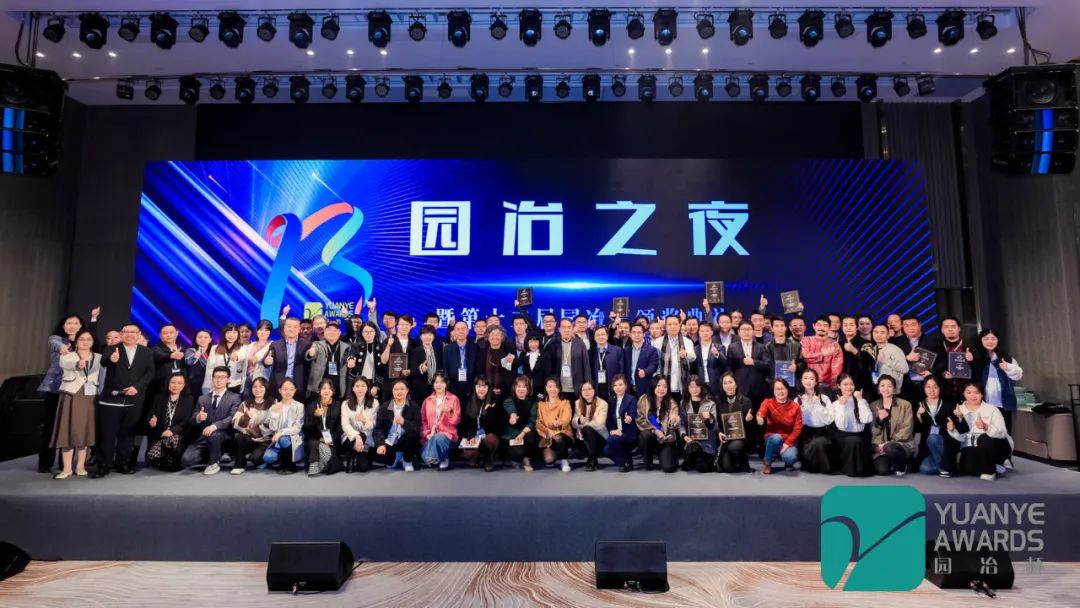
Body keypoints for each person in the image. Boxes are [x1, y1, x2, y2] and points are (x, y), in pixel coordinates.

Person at [38, 308, 99, 473]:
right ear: (63, 326)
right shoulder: (56, 339)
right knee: (50, 426)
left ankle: (64, 465)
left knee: (70, 426)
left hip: (76, 391)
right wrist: (63, 347)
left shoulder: (84, 342)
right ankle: (45, 463)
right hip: (55, 388)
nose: (72, 326)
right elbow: (55, 344)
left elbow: (94, 341)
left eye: (76, 323)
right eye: (69, 323)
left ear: (81, 326)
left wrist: (93, 319)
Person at [93, 323, 154, 478]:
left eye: (133, 332)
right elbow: (104, 361)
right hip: (112, 398)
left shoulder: (146, 352)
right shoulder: (112, 348)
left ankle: (122, 463)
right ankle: (103, 465)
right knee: (107, 434)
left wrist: (137, 387)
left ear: (139, 334)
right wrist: (111, 359)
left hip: (134, 398)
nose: (130, 335)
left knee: (128, 433)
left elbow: (149, 372)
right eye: (126, 332)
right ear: (121, 334)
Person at [50, 328, 101, 478]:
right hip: (71, 394)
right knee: (67, 432)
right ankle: (66, 469)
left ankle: (80, 466)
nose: (85, 342)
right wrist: (78, 364)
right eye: (82, 339)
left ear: (93, 342)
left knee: (84, 433)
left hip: (89, 396)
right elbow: (66, 365)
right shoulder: (67, 355)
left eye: (88, 339)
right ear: (76, 342)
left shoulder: (98, 357)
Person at [182, 366, 242, 475]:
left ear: (228, 379)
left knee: (214, 435)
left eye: (223, 377)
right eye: (216, 377)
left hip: (225, 435)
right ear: (212, 378)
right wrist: (198, 418)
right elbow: (192, 420)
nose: (219, 380)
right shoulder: (202, 398)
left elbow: (231, 418)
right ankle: (215, 454)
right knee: (187, 460)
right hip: (205, 437)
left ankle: (213, 463)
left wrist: (214, 426)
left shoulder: (235, 397)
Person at [948, 383, 1014, 481]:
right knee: (967, 468)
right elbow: (960, 437)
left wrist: (986, 427)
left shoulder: (992, 409)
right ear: (964, 394)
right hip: (972, 446)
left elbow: (1002, 433)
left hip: (995, 443)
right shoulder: (958, 410)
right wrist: (952, 430)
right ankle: (995, 464)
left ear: (982, 394)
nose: (973, 396)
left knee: (983, 438)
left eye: (976, 393)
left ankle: (990, 470)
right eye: (969, 393)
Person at [970, 328, 1023, 433]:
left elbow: (1018, 375)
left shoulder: (1006, 357)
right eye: (986, 339)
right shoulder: (976, 358)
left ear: (998, 340)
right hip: (982, 404)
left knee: (1003, 433)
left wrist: (1008, 367)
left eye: (993, 339)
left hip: (1003, 404)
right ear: (980, 340)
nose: (990, 341)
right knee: (983, 434)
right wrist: (970, 361)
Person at [145, 373, 195, 472]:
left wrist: (172, 431)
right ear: (168, 383)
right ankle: (167, 458)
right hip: (160, 435)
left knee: (173, 440)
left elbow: (186, 421)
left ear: (183, 385)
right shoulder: (159, 398)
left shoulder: (189, 399)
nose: (175, 385)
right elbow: (149, 416)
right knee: (152, 455)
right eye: (173, 382)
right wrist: (152, 422)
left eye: (179, 383)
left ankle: (169, 459)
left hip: (178, 435)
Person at [894, 315, 947, 405]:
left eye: (913, 324)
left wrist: (931, 372)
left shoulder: (934, 340)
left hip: (929, 384)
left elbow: (943, 361)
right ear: (902, 327)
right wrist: (907, 358)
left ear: (919, 325)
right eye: (906, 325)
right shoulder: (897, 342)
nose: (910, 328)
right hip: (907, 385)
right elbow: (893, 363)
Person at [869, 375, 916, 477]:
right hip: (881, 447)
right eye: (882, 385)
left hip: (901, 444)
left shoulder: (905, 405)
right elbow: (872, 431)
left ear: (894, 389)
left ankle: (902, 464)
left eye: (889, 386)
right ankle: (894, 462)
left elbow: (907, 429)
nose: (886, 389)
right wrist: (879, 420)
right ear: (878, 388)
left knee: (890, 447)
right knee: (882, 470)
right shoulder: (873, 406)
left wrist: (888, 443)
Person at [829, 374, 875, 477]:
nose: (849, 387)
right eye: (845, 384)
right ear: (839, 386)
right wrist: (842, 406)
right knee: (854, 440)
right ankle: (849, 469)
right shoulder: (835, 404)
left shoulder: (861, 400)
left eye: (851, 384)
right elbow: (842, 425)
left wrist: (860, 400)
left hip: (860, 436)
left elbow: (867, 419)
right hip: (843, 437)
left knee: (858, 439)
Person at [915, 375, 960, 478]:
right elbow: (917, 429)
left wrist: (957, 420)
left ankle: (945, 467)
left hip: (945, 442)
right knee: (924, 468)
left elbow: (957, 426)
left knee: (933, 438)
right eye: (928, 387)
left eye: (935, 387)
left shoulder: (948, 405)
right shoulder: (920, 405)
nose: (932, 390)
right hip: (928, 446)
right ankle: (946, 466)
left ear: (940, 388)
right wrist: (919, 416)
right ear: (924, 388)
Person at [373, 379, 422, 471]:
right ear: (392, 391)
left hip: (406, 440)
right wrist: (380, 444)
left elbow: (417, 428)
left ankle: (407, 460)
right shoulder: (384, 407)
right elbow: (378, 429)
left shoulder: (414, 406)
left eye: (402, 389)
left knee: (410, 434)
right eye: (396, 389)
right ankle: (398, 455)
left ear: (407, 391)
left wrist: (404, 422)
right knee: (383, 459)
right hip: (390, 440)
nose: (399, 392)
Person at [460, 375, 507, 471]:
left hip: (487, 435)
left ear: (488, 388)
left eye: (484, 386)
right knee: (469, 453)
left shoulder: (494, 401)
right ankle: (477, 456)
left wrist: (490, 412)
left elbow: (498, 426)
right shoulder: (468, 401)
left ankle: (488, 458)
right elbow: (465, 423)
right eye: (479, 386)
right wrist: (471, 436)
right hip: (474, 436)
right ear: (474, 387)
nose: (481, 389)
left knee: (491, 440)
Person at [635, 376, 682, 472]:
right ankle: (648, 459)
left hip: (666, 439)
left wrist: (674, 419)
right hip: (651, 435)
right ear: (653, 386)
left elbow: (676, 422)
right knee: (645, 435)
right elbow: (640, 420)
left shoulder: (671, 403)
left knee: (668, 468)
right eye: (658, 386)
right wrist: (654, 429)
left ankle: (665, 455)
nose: (661, 389)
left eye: (664, 386)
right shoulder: (644, 400)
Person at [756, 379, 802, 475]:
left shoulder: (796, 407)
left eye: (783, 388)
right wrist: (759, 418)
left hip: (789, 440)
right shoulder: (768, 402)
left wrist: (787, 443)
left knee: (790, 458)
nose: (780, 391)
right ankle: (767, 463)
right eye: (777, 389)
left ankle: (784, 459)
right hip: (772, 439)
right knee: (776, 437)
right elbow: (761, 412)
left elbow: (797, 429)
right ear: (773, 391)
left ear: (787, 390)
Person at [795, 369, 835, 474]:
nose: (808, 381)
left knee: (819, 443)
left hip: (821, 433)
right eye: (805, 378)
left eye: (811, 378)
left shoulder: (824, 399)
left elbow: (829, 419)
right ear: (801, 381)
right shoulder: (798, 400)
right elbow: (797, 421)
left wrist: (817, 404)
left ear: (816, 381)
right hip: (805, 435)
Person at [229, 377, 273, 474]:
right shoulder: (246, 403)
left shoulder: (273, 403)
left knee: (256, 459)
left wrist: (253, 430)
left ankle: (260, 457)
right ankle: (240, 465)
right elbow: (235, 423)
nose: (258, 389)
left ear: (266, 388)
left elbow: (272, 424)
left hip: (266, 441)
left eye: (261, 387)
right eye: (255, 387)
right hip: (250, 438)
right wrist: (246, 417)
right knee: (239, 437)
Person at [262, 378, 305, 474]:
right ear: (279, 390)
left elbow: (297, 428)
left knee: (283, 439)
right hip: (277, 440)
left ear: (295, 390)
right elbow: (273, 428)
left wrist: (281, 432)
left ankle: (290, 464)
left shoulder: (300, 406)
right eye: (285, 389)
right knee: (268, 457)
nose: (288, 392)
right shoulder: (274, 406)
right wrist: (275, 413)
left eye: (291, 389)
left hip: (294, 439)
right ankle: (282, 458)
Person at [419, 372, 462, 470]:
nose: (438, 385)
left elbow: (456, 421)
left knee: (438, 438)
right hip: (430, 435)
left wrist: (449, 412)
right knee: (431, 441)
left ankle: (443, 459)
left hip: (447, 434)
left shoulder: (453, 399)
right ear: (433, 384)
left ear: (446, 384)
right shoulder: (427, 400)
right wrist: (426, 434)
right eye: (436, 382)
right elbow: (423, 421)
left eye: (442, 382)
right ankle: (434, 456)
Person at [265, 316, 313, 401]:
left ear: (299, 329)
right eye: (289, 326)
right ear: (284, 328)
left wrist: (310, 355)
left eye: (295, 327)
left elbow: (309, 363)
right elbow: (267, 360)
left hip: (298, 387)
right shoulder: (275, 345)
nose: (292, 329)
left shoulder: (307, 345)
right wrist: (267, 361)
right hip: (278, 386)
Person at [303, 378, 344, 476]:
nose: (326, 391)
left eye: (329, 388)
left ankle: (315, 465)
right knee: (314, 444)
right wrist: (315, 416)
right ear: (319, 390)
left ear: (333, 391)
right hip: (315, 439)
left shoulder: (338, 405)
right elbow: (307, 429)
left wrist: (330, 439)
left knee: (319, 448)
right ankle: (321, 464)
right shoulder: (312, 405)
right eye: (324, 388)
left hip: (332, 441)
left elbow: (340, 428)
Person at [857, 324, 909, 401]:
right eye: (876, 332)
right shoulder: (871, 350)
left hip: (891, 392)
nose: (879, 335)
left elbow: (905, 369)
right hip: (874, 391)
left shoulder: (895, 350)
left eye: (882, 332)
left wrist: (886, 361)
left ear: (888, 335)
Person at [651, 315, 696, 402]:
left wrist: (686, 354)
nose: (672, 327)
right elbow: (655, 363)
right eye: (669, 324)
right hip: (663, 386)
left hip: (681, 384)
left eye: (675, 324)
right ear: (665, 326)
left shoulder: (687, 341)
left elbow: (693, 357)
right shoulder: (658, 342)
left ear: (680, 325)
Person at [715, 373, 754, 473]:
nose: (728, 385)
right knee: (727, 468)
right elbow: (717, 422)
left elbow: (751, 428)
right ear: (722, 386)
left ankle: (742, 459)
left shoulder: (746, 401)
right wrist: (719, 432)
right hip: (726, 438)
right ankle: (737, 461)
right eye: (725, 383)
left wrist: (748, 421)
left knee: (734, 448)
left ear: (736, 384)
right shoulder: (718, 401)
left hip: (741, 438)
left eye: (730, 382)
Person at [340, 376, 379, 473]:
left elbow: (373, 425)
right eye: (357, 386)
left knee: (363, 468)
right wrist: (357, 436)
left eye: (363, 386)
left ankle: (355, 454)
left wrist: (364, 421)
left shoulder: (374, 403)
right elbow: (345, 425)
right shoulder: (345, 404)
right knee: (357, 437)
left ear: (367, 388)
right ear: (353, 388)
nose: (360, 389)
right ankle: (351, 455)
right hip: (350, 437)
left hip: (367, 437)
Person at [545, 319, 591, 401]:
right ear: (559, 329)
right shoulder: (553, 345)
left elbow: (586, 366)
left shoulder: (580, 344)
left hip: (577, 388)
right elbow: (548, 368)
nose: (566, 330)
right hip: (558, 389)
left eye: (569, 327)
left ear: (573, 329)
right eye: (563, 327)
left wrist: (587, 385)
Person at [727, 322, 772, 406]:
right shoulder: (732, 347)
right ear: (739, 332)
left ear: (753, 331)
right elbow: (729, 368)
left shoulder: (761, 347)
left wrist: (753, 362)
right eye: (743, 329)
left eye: (749, 329)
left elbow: (768, 365)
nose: (746, 332)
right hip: (740, 387)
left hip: (758, 387)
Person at [536, 377, 574, 472]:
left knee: (558, 437)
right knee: (548, 460)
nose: (552, 389)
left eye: (555, 386)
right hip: (547, 435)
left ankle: (564, 460)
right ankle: (557, 453)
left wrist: (559, 423)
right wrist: (548, 430)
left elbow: (566, 419)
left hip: (563, 433)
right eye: (550, 386)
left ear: (559, 389)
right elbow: (538, 422)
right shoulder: (541, 404)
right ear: (546, 388)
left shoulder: (565, 403)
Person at [680, 375, 717, 473]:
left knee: (703, 468)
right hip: (692, 441)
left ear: (701, 387)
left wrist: (710, 418)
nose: (694, 389)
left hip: (707, 442)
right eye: (691, 387)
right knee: (689, 463)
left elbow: (716, 427)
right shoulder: (683, 403)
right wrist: (684, 435)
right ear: (687, 388)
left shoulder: (710, 403)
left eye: (697, 386)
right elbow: (681, 423)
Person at [503, 375, 540, 471]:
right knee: (518, 453)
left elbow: (532, 421)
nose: (521, 389)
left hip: (525, 432)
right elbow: (511, 409)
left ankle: (527, 458)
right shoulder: (509, 400)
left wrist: (523, 433)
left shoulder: (534, 402)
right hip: (512, 434)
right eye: (518, 386)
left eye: (524, 387)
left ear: (528, 389)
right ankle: (516, 458)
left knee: (532, 436)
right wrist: (513, 416)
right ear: (514, 387)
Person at [306, 321, 350, 399]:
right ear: (325, 332)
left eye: (335, 330)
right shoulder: (317, 344)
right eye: (329, 330)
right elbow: (309, 355)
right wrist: (310, 354)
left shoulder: (346, 347)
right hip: (318, 388)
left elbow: (350, 358)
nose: (332, 332)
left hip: (338, 387)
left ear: (339, 333)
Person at [203, 323, 250, 395]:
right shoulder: (215, 348)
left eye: (234, 332)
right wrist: (207, 386)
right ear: (224, 334)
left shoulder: (243, 348)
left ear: (238, 334)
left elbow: (242, 357)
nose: (231, 335)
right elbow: (210, 368)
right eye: (228, 332)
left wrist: (237, 357)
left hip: (235, 384)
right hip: (218, 383)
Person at [603, 374, 638, 472]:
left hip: (628, 433)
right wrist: (612, 431)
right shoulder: (611, 400)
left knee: (611, 440)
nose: (617, 388)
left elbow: (632, 413)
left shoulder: (631, 399)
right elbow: (609, 420)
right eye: (615, 385)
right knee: (606, 450)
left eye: (620, 385)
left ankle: (625, 463)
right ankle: (626, 462)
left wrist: (629, 418)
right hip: (616, 432)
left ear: (626, 386)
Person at [571, 381, 609, 471]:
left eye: (589, 389)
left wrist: (584, 425)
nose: (586, 392)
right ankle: (592, 455)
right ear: (581, 392)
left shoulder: (602, 403)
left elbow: (599, 424)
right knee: (577, 451)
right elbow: (573, 423)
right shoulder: (577, 403)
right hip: (583, 438)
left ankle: (592, 459)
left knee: (587, 429)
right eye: (584, 390)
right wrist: (579, 420)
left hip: (599, 436)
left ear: (594, 390)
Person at [800, 316, 844, 391]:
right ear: (814, 326)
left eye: (825, 325)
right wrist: (822, 354)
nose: (822, 328)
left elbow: (837, 368)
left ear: (829, 328)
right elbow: (806, 357)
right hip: (807, 383)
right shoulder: (806, 340)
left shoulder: (834, 345)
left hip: (826, 385)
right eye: (819, 325)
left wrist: (833, 385)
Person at [477, 325, 518, 401]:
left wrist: (502, 388)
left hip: (506, 391)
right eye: (492, 335)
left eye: (498, 335)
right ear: (488, 337)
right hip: (486, 390)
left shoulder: (509, 352)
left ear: (502, 337)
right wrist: (488, 387)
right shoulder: (482, 353)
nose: (495, 337)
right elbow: (480, 373)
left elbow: (512, 373)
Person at [345, 321, 384, 400]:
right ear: (361, 333)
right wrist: (350, 360)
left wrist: (377, 386)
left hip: (374, 383)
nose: (368, 334)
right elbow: (351, 356)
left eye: (371, 331)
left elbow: (382, 370)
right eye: (365, 332)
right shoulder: (356, 346)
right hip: (358, 382)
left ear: (375, 332)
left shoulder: (381, 346)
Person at [443, 320, 478, 403]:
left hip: (471, 384)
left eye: (463, 329)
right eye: (458, 329)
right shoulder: (448, 348)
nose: (461, 331)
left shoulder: (475, 347)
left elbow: (478, 367)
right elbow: (445, 367)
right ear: (454, 332)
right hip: (453, 385)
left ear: (468, 331)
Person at [407, 325, 443, 404]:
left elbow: (441, 368)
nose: (427, 337)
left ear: (433, 337)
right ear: (420, 337)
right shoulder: (415, 352)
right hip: (420, 389)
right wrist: (421, 369)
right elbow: (413, 372)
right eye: (425, 334)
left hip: (436, 388)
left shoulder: (438, 350)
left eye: (430, 335)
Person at [623, 324, 659, 397]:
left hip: (644, 386)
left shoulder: (651, 350)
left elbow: (654, 365)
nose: (636, 335)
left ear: (643, 334)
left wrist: (645, 371)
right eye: (634, 332)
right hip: (628, 388)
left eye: (639, 332)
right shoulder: (625, 351)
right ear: (630, 334)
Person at [938, 317, 968, 403]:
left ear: (959, 328)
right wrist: (942, 373)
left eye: (953, 326)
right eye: (946, 327)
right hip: (943, 391)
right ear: (942, 330)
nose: (950, 329)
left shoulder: (968, 345)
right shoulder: (937, 345)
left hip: (965, 390)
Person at [589, 326, 623, 401]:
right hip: (597, 389)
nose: (600, 337)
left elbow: (621, 370)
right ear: (594, 338)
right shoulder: (591, 352)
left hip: (613, 388)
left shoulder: (617, 350)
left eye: (603, 334)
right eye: (597, 335)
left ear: (607, 336)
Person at [694, 323, 727, 397]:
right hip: (701, 385)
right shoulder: (695, 348)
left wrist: (717, 354)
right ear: (698, 333)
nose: (704, 333)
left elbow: (725, 363)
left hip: (716, 384)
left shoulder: (719, 347)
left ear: (712, 332)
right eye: (702, 331)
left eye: (707, 331)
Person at [765, 317, 801, 382]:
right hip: (773, 382)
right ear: (772, 329)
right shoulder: (767, 347)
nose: (780, 328)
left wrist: (796, 366)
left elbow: (802, 362)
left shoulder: (796, 345)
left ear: (785, 328)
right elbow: (766, 366)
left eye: (782, 326)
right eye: (777, 326)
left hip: (792, 381)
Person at [184, 329, 213, 396]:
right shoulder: (191, 351)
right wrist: (196, 356)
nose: (202, 339)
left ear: (210, 339)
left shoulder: (214, 351)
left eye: (205, 337)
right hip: (195, 384)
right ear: (195, 339)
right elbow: (189, 362)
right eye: (199, 337)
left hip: (211, 383)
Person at [246, 320, 274, 386]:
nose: (263, 332)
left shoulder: (273, 345)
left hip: (263, 382)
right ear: (257, 331)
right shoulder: (250, 345)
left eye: (266, 330)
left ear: (270, 332)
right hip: (247, 381)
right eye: (261, 329)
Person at [520, 334, 548, 399]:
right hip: (526, 389)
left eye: (536, 342)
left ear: (539, 342)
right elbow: (516, 364)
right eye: (531, 342)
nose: (533, 344)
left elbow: (547, 374)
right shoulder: (523, 354)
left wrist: (545, 391)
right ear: (527, 343)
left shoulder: (545, 355)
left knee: (539, 403)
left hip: (540, 389)